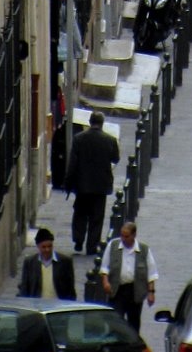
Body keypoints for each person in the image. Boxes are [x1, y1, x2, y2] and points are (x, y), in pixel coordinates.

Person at [66, 113, 120, 257]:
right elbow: (116, 158)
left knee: (80, 213)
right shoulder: (110, 140)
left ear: (90, 122)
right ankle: (92, 245)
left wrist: (69, 182)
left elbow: (72, 163)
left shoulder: (79, 139)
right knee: (97, 217)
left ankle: (78, 240)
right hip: (100, 186)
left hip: (82, 185)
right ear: (102, 123)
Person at [99, 222, 158, 330]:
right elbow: (104, 267)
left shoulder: (144, 250)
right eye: (122, 235)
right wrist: (106, 282)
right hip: (117, 290)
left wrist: (151, 293)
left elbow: (151, 273)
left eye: (126, 236)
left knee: (134, 323)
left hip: (135, 291)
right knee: (116, 321)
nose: (123, 238)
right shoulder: (113, 245)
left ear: (134, 235)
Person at [19, 227, 78, 297]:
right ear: (38, 246)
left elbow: (70, 288)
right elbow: (25, 287)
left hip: (58, 304)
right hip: (37, 305)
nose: (47, 250)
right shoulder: (30, 262)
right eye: (43, 247)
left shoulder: (65, 261)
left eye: (50, 246)